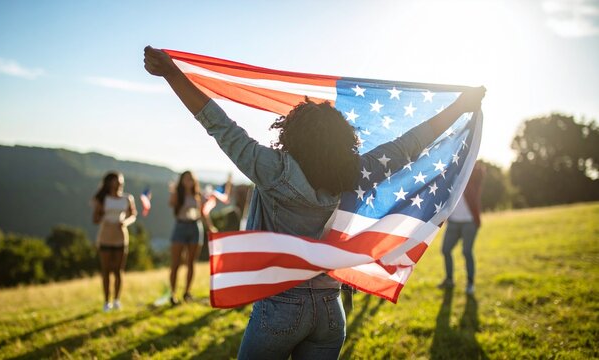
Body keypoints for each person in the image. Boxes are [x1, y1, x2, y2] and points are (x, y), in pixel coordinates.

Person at [144, 45, 485, 359]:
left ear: (291, 134)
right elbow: (407, 145)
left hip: (279, 305)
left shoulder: (271, 170)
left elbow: (219, 124)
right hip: (330, 308)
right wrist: (459, 107)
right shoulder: (356, 172)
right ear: (342, 142)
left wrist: (173, 74)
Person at [168, 170, 218, 305]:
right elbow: (171, 204)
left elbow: (204, 213)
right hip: (180, 226)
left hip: (195, 227)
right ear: (182, 181)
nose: (188, 181)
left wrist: (210, 227)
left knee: (191, 262)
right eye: (185, 179)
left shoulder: (198, 195)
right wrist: (175, 192)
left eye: (190, 179)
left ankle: (187, 292)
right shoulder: (178, 194)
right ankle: (172, 293)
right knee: (176, 263)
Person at [438, 161, 485, 296]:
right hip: (453, 222)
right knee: (445, 250)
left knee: (466, 252)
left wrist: (468, 158)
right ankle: (449, 280)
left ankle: (470, 283)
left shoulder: (472, 175)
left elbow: (479, 170)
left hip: (469, 222)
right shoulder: (450, 175)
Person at [92, 171, 137, 312]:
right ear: (110, 182)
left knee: (118, 270)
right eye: (117, 181)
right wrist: (99, 211)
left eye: (121, 181)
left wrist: (125, 222)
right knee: (106, 270)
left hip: (121, 235)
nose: (119, 184)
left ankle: (117, 300)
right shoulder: (103, 199)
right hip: (105, 235)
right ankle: (106, 301)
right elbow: (95, 220)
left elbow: (133, 215)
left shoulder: (127, 198)